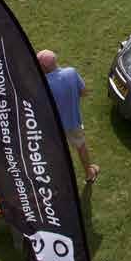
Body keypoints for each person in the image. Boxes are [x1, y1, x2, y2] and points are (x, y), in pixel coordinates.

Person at [39, 49, 100, 183]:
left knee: (56, 152)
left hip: (53, 127)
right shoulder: (71, 72)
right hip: (73, 122)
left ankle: (59, 181)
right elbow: (84, 92)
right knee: (81, 146)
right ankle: (89, 173)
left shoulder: (41, 83)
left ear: (44, 67)